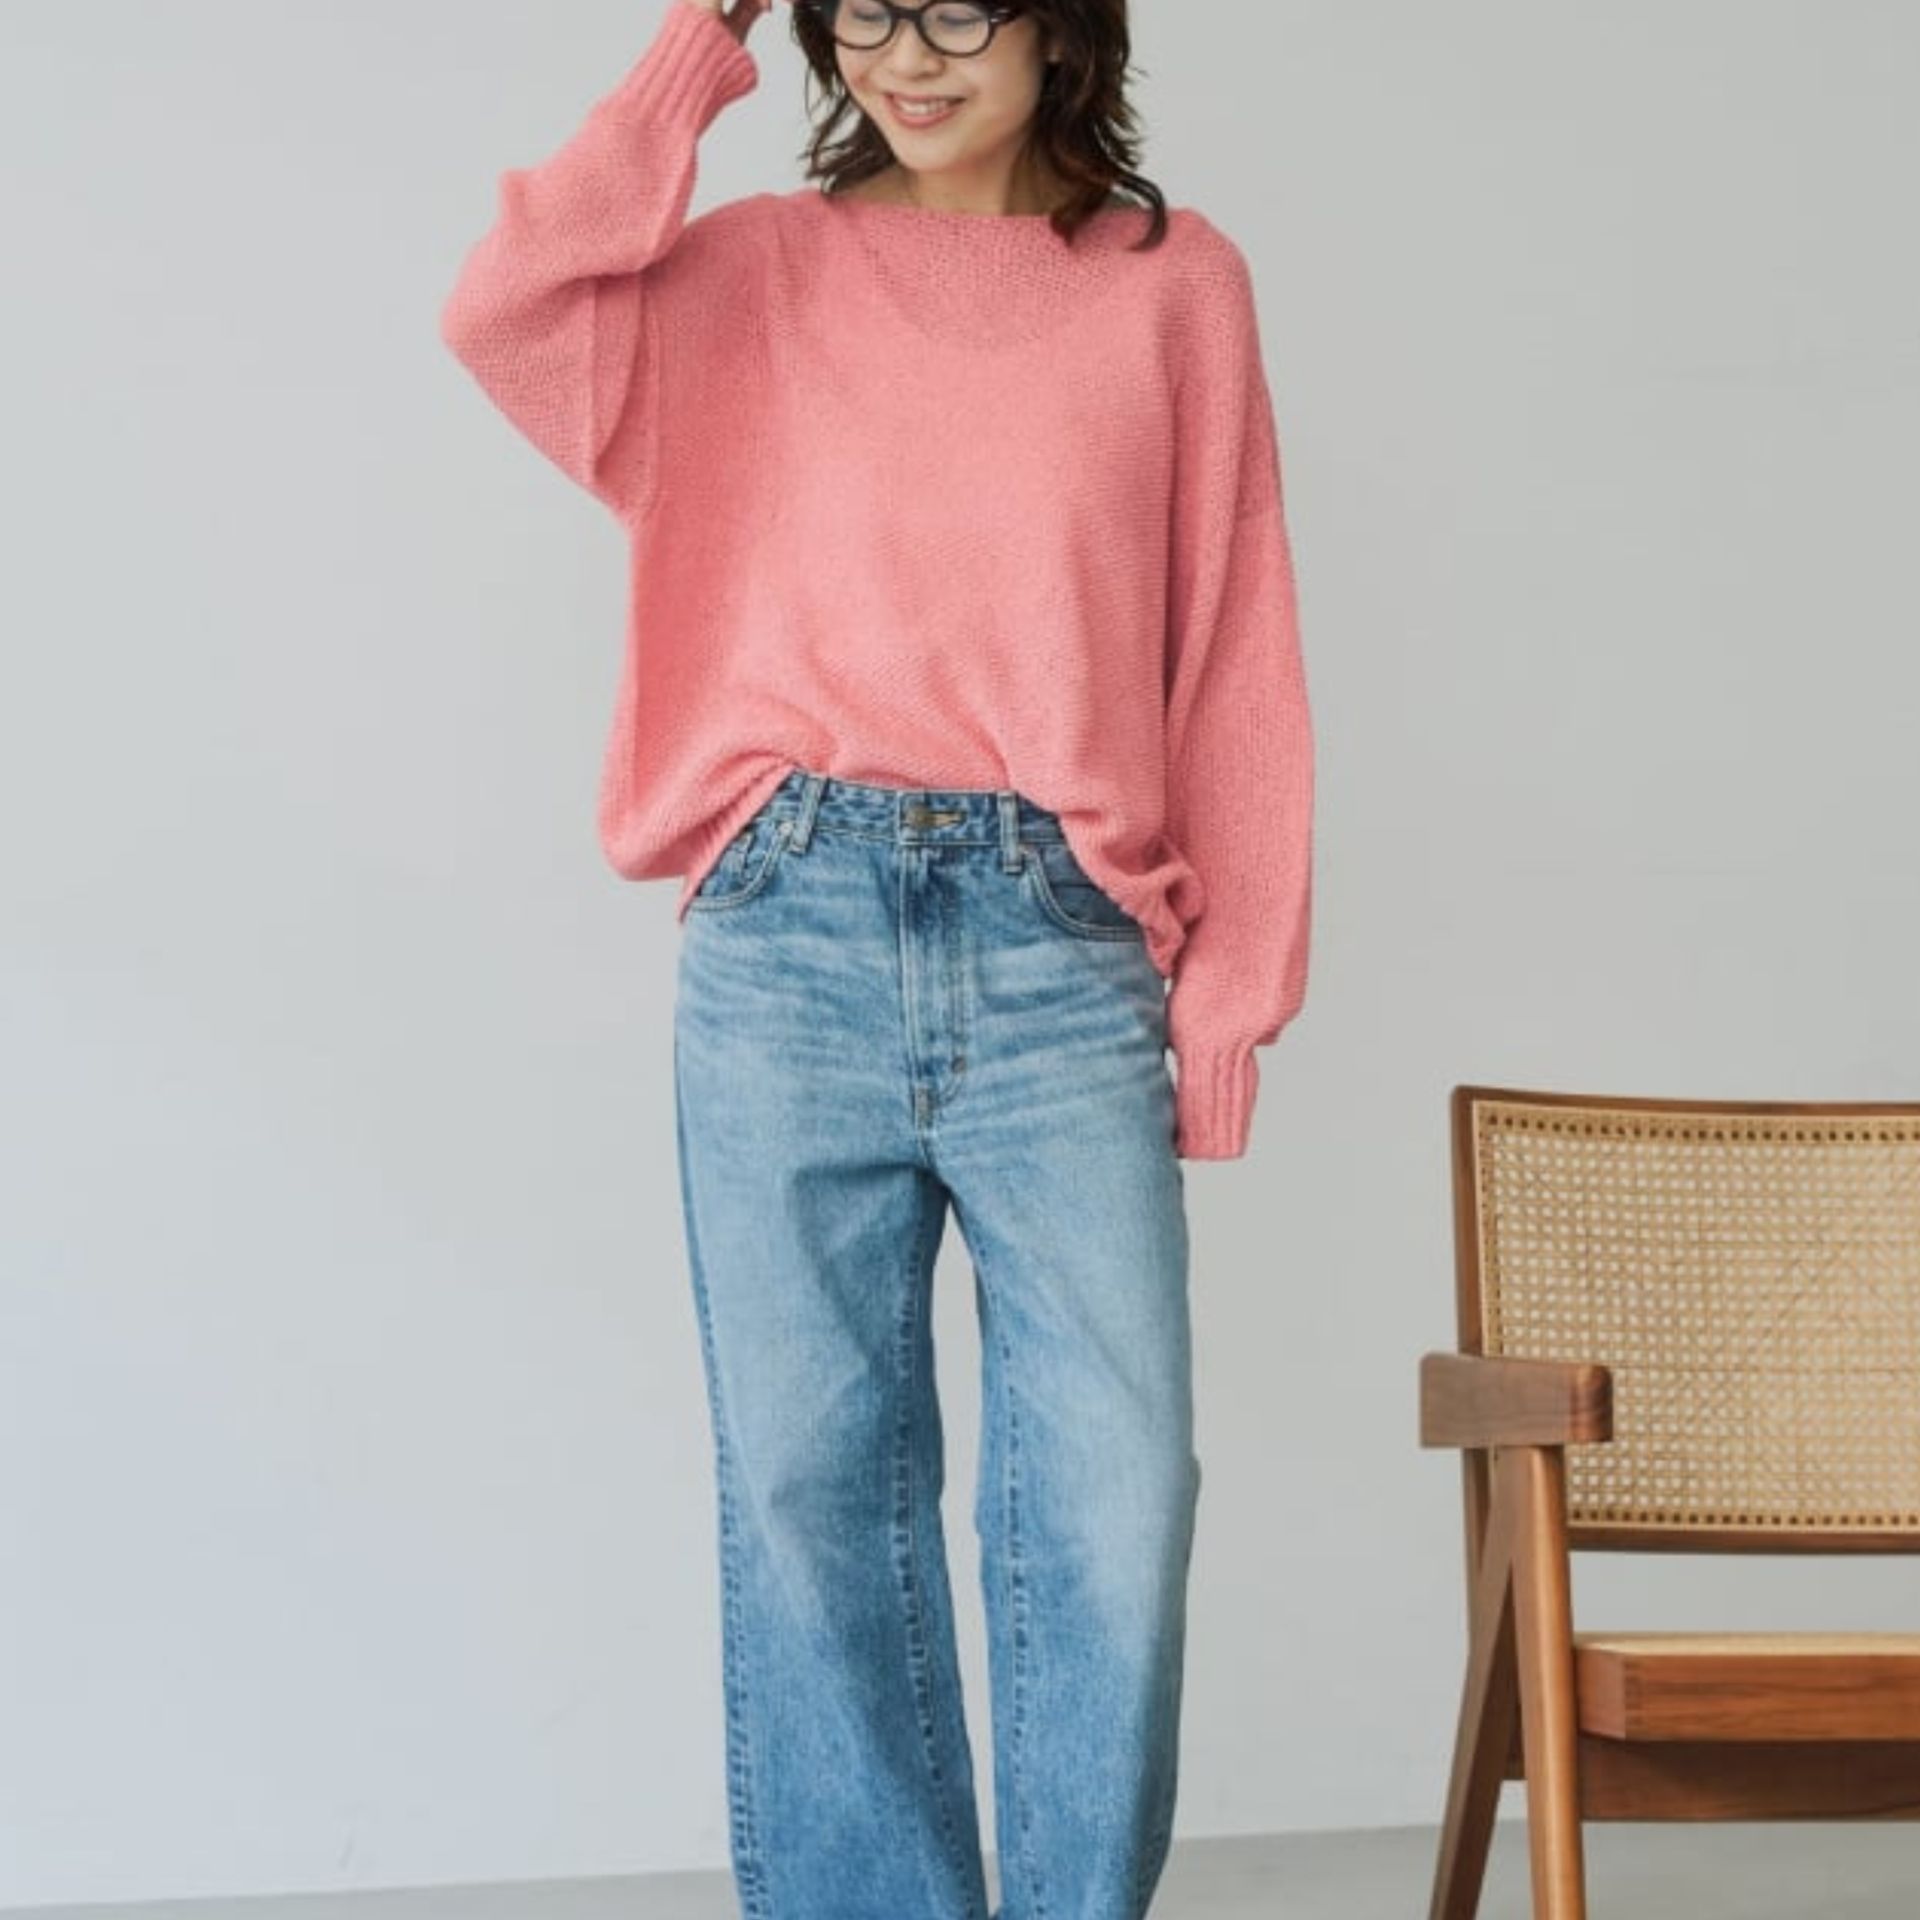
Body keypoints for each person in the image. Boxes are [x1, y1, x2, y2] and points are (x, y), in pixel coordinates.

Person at [438, 1, 1315, 1913]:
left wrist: (1224, 1008)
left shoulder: (1174, 288)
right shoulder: (747, 275)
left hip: (1063, 938)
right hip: (790, 935)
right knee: (809, 1497)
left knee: (1118, 1493)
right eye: (863, 9)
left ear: (1061, 27)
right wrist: (700, 42)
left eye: (956, 7)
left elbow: (1233, 647)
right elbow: (508, 305)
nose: (904, 56)